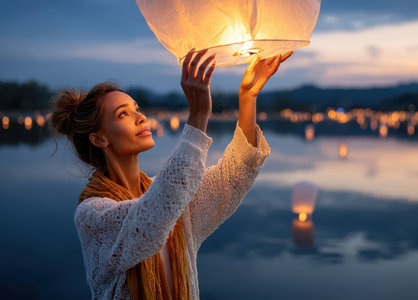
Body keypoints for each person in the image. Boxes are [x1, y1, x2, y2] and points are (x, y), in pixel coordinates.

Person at [50, 48, 292, 300]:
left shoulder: (173, 201)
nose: (140, 117)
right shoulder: (92, 215)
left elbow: (234, 176)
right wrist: (198, 116)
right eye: (123, 114)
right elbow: (149, 223)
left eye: (136, 108)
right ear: (99, 138)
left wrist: (247, 96)